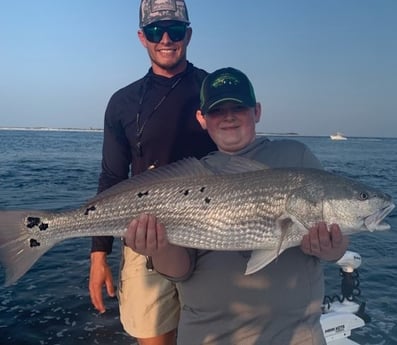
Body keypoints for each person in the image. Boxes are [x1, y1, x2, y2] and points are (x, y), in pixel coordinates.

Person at [124, 67, 349, 344]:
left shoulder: (296, 157)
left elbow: (336, 247)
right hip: (207, 335)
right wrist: (157, 249)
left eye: (238, 107)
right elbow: (179, 271)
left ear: (256, 111)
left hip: (294, 334)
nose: (228, 117)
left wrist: (332, 248)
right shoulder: (190, 178)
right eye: (217, 110)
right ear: (202, 119)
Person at [89, 1, 216, 344]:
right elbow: (112, 179)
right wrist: (99, 254)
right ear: (141, 37)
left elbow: (240, 151)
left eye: (174, 30)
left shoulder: (213, 91)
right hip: (145, 239)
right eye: (154, 31)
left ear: (188, 35)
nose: (165, 39)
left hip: (213, 237)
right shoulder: (122, 103)